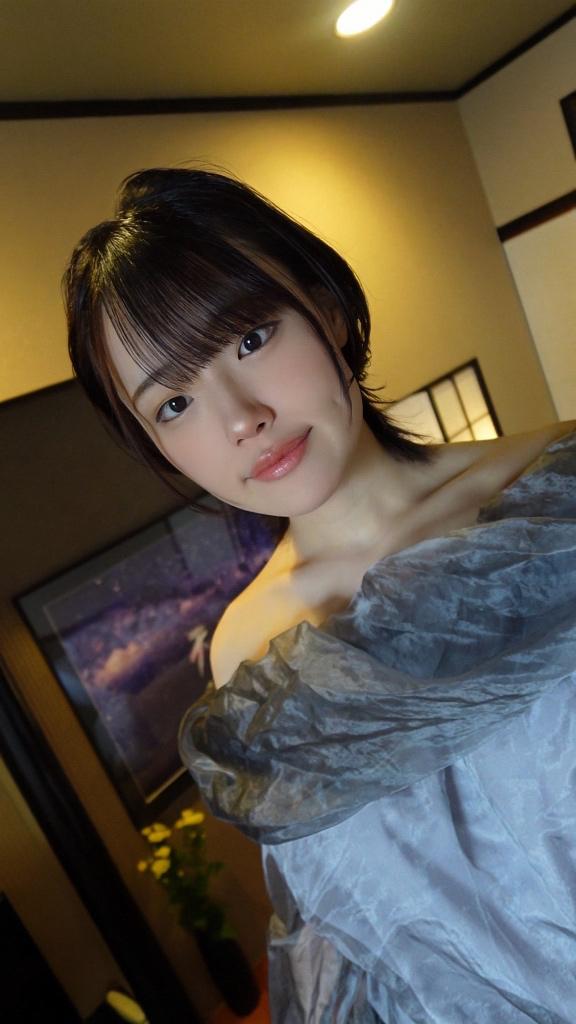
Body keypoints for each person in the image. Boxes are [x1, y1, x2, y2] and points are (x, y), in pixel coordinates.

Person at [65, 167, 576, 1023]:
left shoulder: (556, 490)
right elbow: (359, 936)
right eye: (175, 402)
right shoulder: (252, 658)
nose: (240, 418)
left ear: (327, 307)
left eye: (250, 338)